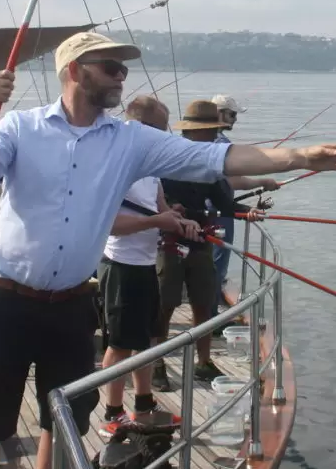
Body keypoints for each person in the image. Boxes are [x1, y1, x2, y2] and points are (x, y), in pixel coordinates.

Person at [0, 31, 336, 469]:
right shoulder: (19, 128)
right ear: (75, 71)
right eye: (111, 67)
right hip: (5, 303)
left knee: (64, 427)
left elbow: (218, 158)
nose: (122, 76)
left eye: (123, 69)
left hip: (72, 305)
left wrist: (299, 156)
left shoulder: (129, 141)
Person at [96, 95, 199, 435]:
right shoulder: (118, 167)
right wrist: (157, 220)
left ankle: (143, 404)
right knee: (120, 344)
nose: (164, 137)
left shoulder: (151, 169)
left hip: (144, 265)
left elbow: (161, 206)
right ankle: (113, 413)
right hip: (121, 266)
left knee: (146, 340)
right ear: (141, 128)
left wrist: (177, 219)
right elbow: (110, 223)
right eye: (160, 130)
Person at [153, 100, 261, 388]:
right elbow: (164, 203)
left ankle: (203, 362)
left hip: (201, 241)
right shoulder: (166, 159)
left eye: (215, 130)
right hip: (168, 242)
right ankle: (156, 364)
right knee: (164, 305)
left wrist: (245, 213)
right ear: (193, 132)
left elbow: (224, 202)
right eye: (210, 130)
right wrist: (186, 215)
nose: (215, 136)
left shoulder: (208, 165)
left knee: (203, 302)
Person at [209, 94, 277, 310]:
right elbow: (234, 180)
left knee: (207, 265)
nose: (235, 119)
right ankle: (208, 319)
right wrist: (263, 181)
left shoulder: (201, 139)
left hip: (207, 211)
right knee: (216, 266)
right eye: (232, 114)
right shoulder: (221, 143)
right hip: (219, 216)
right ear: (218, 112)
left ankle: (204, 312)